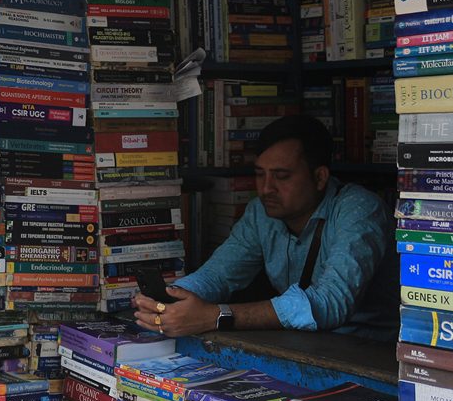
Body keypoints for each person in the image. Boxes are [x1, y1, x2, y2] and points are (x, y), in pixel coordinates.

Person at [132, 114, 399, 342]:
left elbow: (330, 302)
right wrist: (164, 300)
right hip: (302, 344)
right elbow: (218, 275)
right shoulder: (261, 212)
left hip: (370, 351)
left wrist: (215, 316)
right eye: (260, 174)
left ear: (319, 178)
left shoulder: (359, 210)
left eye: (282, 176)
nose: (266, 188)